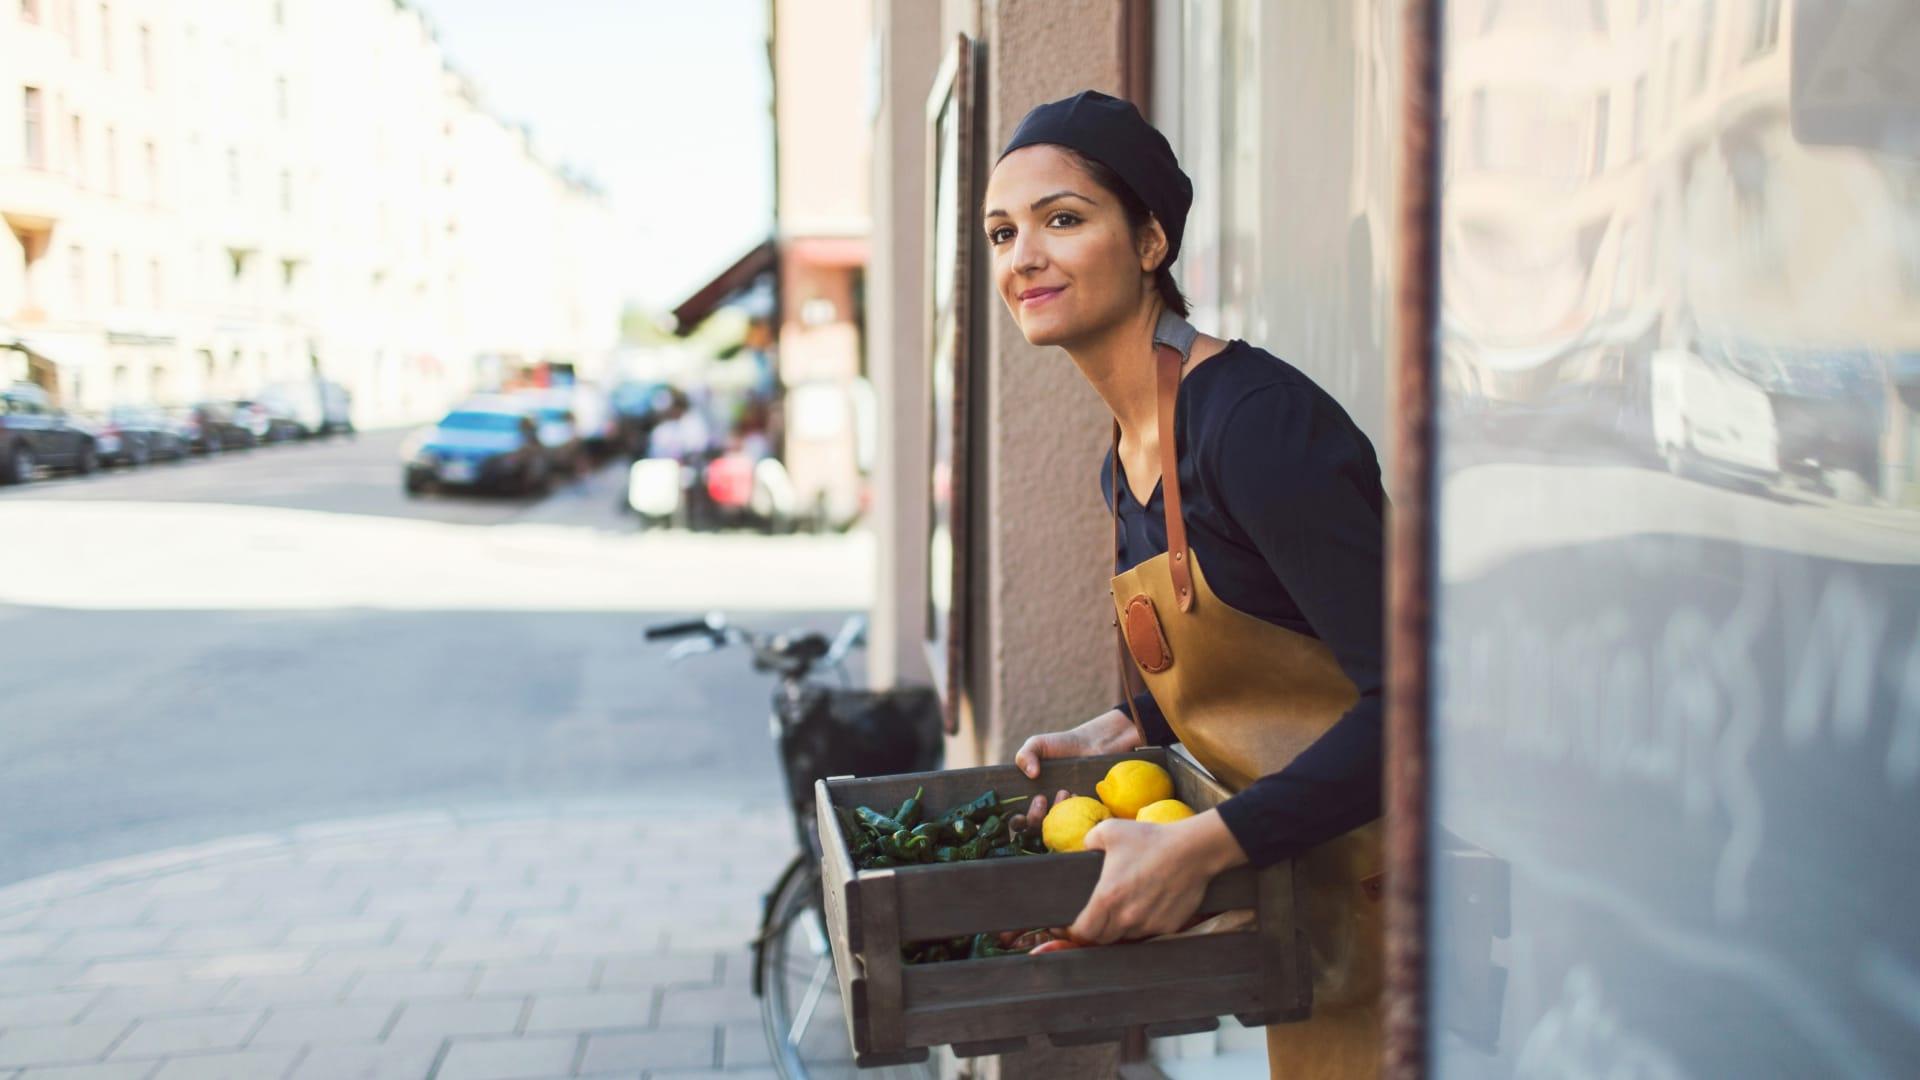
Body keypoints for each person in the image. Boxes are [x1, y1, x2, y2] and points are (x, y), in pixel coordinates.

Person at [986, 90, 1386, 1078]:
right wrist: (1121, 732)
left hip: (1388, 918)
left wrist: (1205, 846)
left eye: (1063, 219)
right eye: (1001, 232)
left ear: (1152, 239)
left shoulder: (1256, 427)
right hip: (1284, 919)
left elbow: (1421, 711)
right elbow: (1267, 677)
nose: (1022, 256)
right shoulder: (1124, 456)